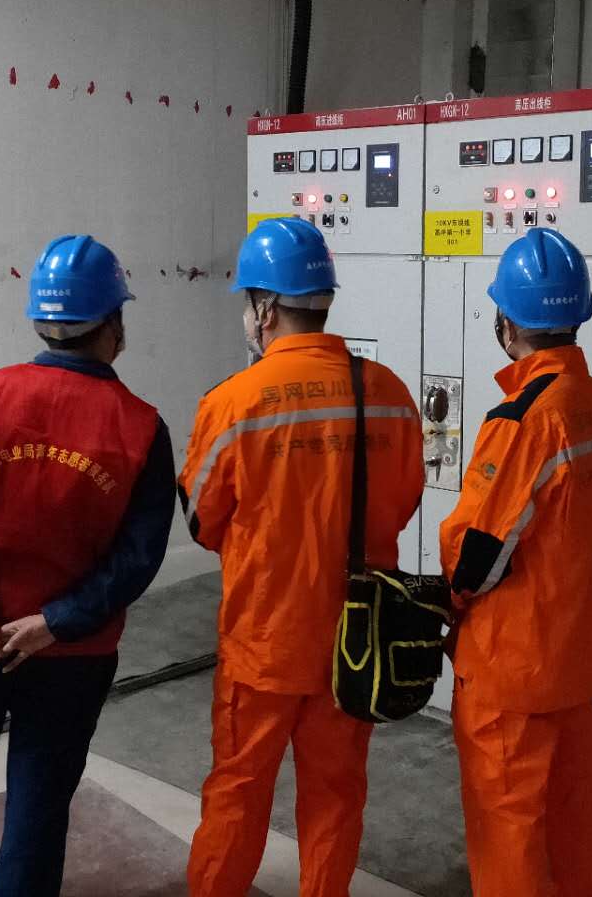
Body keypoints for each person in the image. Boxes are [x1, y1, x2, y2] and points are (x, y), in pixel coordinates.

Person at [0, 234, 176, 897]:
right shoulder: (141, 427)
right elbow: (137, 557)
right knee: (40, 793)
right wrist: (56, 622)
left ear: (40, 320)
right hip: (70, 653)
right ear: (113, 323)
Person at [178, 218, 423, 897]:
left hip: (264, 642)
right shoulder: (389, 393)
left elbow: (200, 520)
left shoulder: (232, 403)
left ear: (264, 308)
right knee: (335, 795)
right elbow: (403, 501)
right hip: (355, 641)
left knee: (238, 791)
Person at [440, 228, 592, 897]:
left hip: (509, 677)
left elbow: (476, 556)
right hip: (575, 667)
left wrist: (448, 602)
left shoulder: (524, 421)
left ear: (508, 322)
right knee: (575, 835)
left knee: (511, 843)